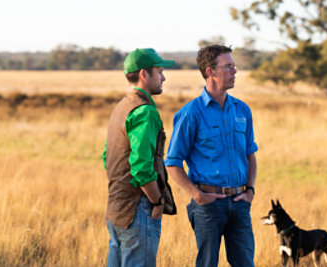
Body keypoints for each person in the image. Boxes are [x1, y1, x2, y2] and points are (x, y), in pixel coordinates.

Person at [164, 45, 258, 267]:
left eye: (234, 66)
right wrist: (197, 195)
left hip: (240, 202)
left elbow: (250, 154)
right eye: (228, 67)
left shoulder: (242, 110)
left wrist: (250, 191)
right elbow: (173, 162)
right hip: (208, 205)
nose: (234, 71)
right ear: (210, 71)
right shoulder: (190, 114)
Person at [102, 48, 177, 267]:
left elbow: (108, 157)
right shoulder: (145, 111)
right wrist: (157, 201)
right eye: (160, 71)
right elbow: (141, 167)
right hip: (138, 207)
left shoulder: (121, 107)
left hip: (116, 205)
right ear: (144, 74)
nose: (163, 77)